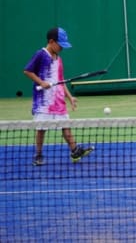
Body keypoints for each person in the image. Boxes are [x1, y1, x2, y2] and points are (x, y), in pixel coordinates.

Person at [24, 27, 94, 166]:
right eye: (60, 45)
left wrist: (70, 98)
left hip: (58, 100)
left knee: (65, 126)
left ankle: (74, 151)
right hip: (43, 101)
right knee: (41, 129)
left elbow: (61, 81)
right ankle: (38, 155)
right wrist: (41, 82)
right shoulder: (40, 54)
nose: (62, 48)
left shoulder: (59, 59)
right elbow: (27, 71)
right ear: (51, 42)